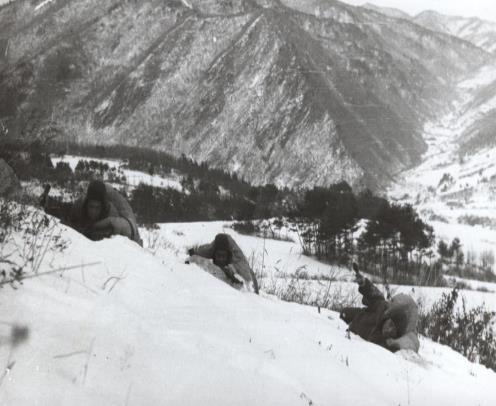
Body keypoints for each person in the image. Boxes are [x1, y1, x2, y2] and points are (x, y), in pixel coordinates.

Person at [340, 265, 419, 353]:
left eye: (392, 330)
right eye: (390, 324)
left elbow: (412, 343)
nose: (389, 329)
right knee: (343, 312)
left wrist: (394, 345)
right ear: (389, 318)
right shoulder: (382, 308)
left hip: (356, 330)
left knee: (345, 314)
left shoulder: (382, 339)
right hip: (359, 317)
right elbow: (375, 295)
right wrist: (364, 283)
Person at [42, 180, 142, 246]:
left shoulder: (111, 215)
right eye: (91, 206)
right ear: (86, 204)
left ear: (103, 207)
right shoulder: (81, 205)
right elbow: (68, 210)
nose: (93, 211)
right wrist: (49, 203)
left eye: (97, 208)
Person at [188, 233, 259, 294]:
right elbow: (201, 252)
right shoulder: (210, 250)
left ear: (228, 256)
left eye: (223, 256)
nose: (221, 259)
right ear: (214, 255)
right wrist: (194, 252)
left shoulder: (238, 260)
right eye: (218, 256)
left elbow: (249, 281)